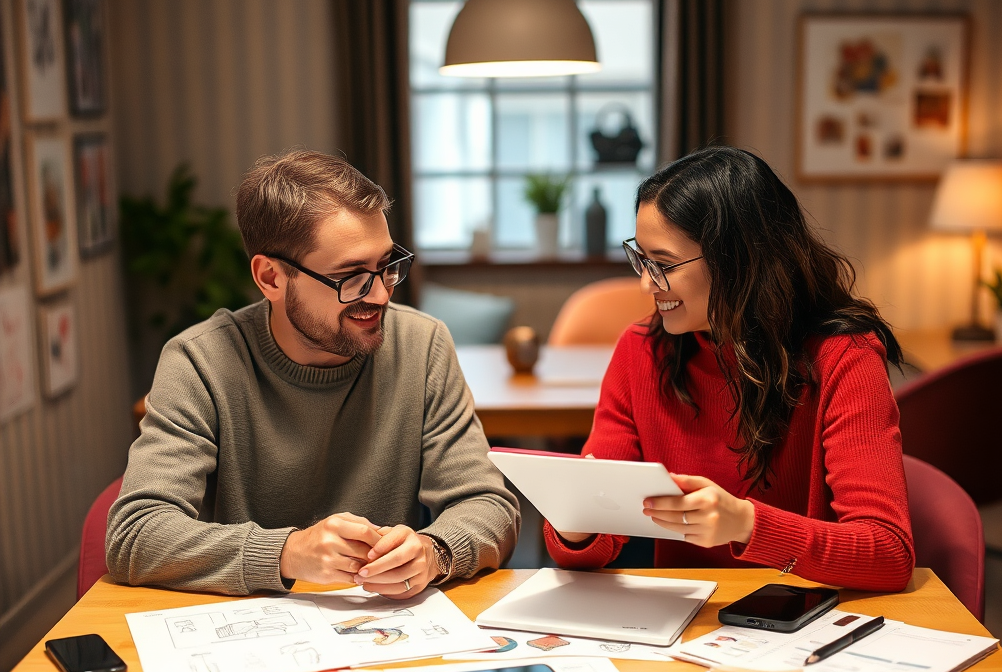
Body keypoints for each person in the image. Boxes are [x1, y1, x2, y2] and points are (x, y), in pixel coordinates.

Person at [107, 150, 520, 597]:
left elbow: (489, 505)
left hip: (387, 634)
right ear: (271, 278)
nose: (380, 294)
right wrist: (287, 552)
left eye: (386, 266)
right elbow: (136, 534)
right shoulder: (200, 362)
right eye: (351, 276)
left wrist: (435, 551)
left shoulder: (422, 345)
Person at [546, 146, 914, 591]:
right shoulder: (641, 350)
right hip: (689, 627)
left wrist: (747, 523)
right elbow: (589, 544)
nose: (645, 283)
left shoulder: (842, 357)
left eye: (662, 265)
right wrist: (576, 524)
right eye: (641, 259)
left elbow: (888, 553)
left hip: (806, 623)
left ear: (737, 261)